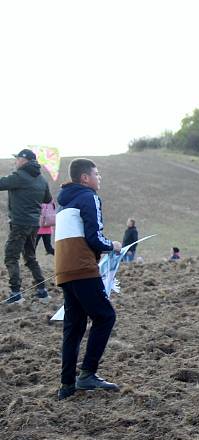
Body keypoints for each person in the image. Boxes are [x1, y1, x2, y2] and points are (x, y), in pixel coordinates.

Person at [54, 158, 122, 400]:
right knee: (105, 316)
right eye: (96, 173)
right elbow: (94, 237)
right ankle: (88, 374)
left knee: (73, 328)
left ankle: (66, 385)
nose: (99, 177)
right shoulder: (88, 197)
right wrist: (112, 246)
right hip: (82, 267)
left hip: (63, 269)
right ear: (85, 178)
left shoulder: (63, 202)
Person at [0, 149, 52, 303]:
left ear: (24, 160)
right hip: (34, 224)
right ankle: (42, 291)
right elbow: (47, 199)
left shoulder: (19, 176)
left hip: (20, 224)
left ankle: (15, 293)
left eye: (17, 158)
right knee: (30, 258)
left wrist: (13, 178)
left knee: (11, 257)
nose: (15, 161)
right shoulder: (42, 179)